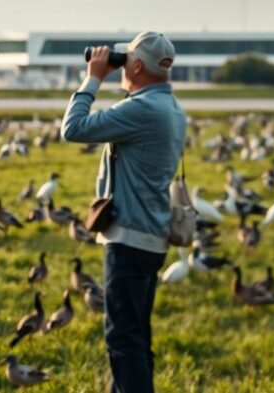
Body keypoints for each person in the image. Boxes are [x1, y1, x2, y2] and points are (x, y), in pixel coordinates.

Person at [61, 31, 187, 393]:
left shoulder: (142, 109)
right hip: (152, 237)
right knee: (136, 338)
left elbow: (73, 129)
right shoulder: (171, 108)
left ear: (134, 65)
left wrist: (94, 76)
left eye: (126, 60)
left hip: (130, 241)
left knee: (123, 342)